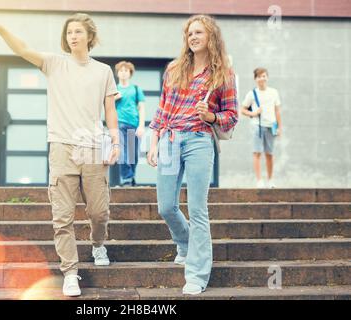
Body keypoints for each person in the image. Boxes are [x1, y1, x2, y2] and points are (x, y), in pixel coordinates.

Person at [0, 13, 120, 297]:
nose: (72, 36)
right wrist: (1, 28)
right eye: (69, 32)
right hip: (61, 147)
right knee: (62, 216)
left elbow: (110, 112)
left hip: (93, 147)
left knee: (98, 211)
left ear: (89, 37)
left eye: (78, 31)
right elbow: (22, 49)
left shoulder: (103, 71)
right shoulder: (54, 64)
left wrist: (116, 143)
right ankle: (70, 272)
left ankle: (98, 243)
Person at [147, 14, 238, 295]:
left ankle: (197, 275)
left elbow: (232, 116)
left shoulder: (223, 73)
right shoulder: (174, 69)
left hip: (199, 139)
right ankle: (185, 243)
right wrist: (153, 143)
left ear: (211, 37)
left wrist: (210, 115)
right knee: (165, 206)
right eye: (190, 34)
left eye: (199, 32)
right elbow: (162, 111)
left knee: (197, 209)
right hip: (170, 140)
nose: (193, 37)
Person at [240, 68, 282, 188]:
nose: (262, 78)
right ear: (255, 79)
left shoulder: (274, 92)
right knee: (257, 152)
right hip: (257, 126)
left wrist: (279, 127)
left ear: (267, 77)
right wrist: (253, 113)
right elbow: (242, 110)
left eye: (264, 76)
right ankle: (259, 181)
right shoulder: (252, 94)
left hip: (271, 126)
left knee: (270, 153)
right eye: (259, 76)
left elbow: (277, 111)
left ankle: (270, 180)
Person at [114, 61, 146, 186]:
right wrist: (114, 98)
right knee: (123, 152)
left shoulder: (136, 89)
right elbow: (105, 106)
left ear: (130, 73)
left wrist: (141, 125)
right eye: (121, 71)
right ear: (117, 73)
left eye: (125, 71)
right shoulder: (114, 90)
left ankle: (130, 177)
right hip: (119, 124)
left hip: (134, 124)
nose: (123, 73)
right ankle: (127, 178)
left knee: (133, 155)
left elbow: (142, 107)